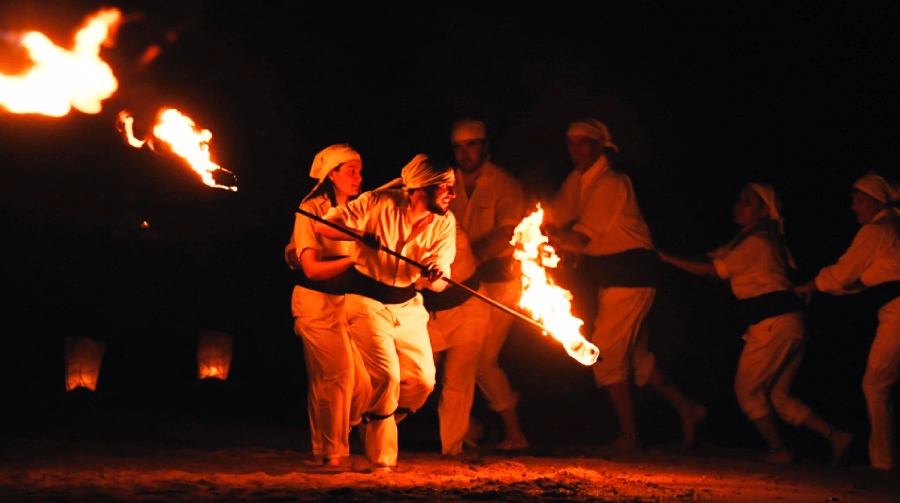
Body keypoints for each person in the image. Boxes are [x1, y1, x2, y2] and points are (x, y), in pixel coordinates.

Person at [659, 182, 854, 466]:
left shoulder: (757, 242)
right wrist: (672, 256)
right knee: (778, 395)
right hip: (790, 321)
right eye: (739, 199)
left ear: (764, 211)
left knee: (747, 392)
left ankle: (779, 451)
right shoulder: (750, 239)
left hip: (772, 323)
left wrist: (664, 257)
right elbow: (712, 260)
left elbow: (714, 269)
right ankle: (837, 437)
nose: (739, 205)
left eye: (749, 201)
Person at [544, 118, 707, 454]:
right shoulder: (578, 181)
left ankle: (629, 437)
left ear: (601, 145)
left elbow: (579, 237)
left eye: (583, 142)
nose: (575, 149)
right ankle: (688, 409)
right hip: (616, 277)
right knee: (636, 358)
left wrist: (547, 239)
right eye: (570, 142)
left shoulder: (612, 183)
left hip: (631, 273)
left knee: (604, 353)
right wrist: (536, 227)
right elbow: (556, 213)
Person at [314, 153, 457, 472]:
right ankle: (382, 462)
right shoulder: (377, 202)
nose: (453, 194)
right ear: (422, 187)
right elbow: (326, 225)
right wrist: (357, 235)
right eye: (446, 187)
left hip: (408, 306)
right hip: (366, 302)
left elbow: (441, 279)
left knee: (423, 381)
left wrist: (436, 274)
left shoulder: (445, 222)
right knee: (387, 378)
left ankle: (373, 416)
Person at [795, 171, 900, 471]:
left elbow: (844, 273)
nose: (854, 207)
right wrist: (819, 285)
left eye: (859, 201)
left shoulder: (877, 231)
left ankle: (883, 463)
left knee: (875, 384)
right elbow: (861, 281)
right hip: (893, 308)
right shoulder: (893, 228)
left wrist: (812, 284)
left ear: (877, 202)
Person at [284, 144, 372, 468]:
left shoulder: (360, 208)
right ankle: (333, 455)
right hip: (313, 303)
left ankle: (325, 445)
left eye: (360, 171)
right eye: (351, 171)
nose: (358, 177)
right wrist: (355, 257)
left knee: (360, 383)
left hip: (346, 304)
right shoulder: (309, 209)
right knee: (336, 375)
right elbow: (311, 268)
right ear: (331, 174)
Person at [448, 118, 529, 451]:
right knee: (447, 354)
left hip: (501, 282)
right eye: (458, 147)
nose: (465, 153)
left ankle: (515, 434)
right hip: (461, 285)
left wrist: (473, 258)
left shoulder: (504, 184)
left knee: (483, 359)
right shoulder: (446, 183)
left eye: (471, 145)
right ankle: (466, 427)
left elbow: (507, 232)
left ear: (484, 146)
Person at [420, 224, 491, 455]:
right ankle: (374, 424)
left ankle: (452, 450)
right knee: (417, 377)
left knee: (457, 382)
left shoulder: (453, 231)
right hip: (428, 315)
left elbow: (437, 281)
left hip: (468, 309)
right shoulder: (399, 225)